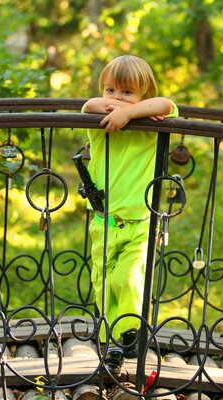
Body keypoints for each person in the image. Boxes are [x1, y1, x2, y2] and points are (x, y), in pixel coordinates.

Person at [81, 55, 178, 374]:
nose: (116, 99)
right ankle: (113, 347)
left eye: (127, 93)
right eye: (111, 89)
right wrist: (119, 110)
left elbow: (167, 104)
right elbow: (89, 105)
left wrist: (132, 114)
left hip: (140, 225)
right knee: (104, 286)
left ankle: (131, 332)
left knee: (128, 277)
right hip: (102, 225)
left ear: (143, 97)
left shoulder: (150, 128)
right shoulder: (99, 124)